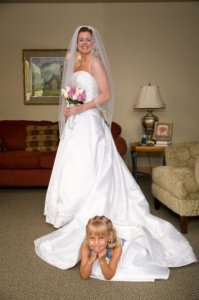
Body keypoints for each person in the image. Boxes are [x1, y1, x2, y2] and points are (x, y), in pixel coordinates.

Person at [34, 26, 197, 281]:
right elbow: (72, 96)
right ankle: (71, 211)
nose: (85, 43)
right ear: (76, 43)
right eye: (82, 40)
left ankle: (93, 210)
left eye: (89, 39)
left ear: (93, 42)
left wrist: (80, 109)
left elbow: (106, 94)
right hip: (76, 124)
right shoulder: (75, 62)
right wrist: (69, 110)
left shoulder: (95, 62)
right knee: (75, 167)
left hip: (90, 124)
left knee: (94, 166)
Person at [80, 215, 122, 280]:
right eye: (92, 238)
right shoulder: (85, 246)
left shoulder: (116, 248)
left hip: (113, 244)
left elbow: (108, 276)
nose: (96, 243)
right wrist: (90, 260)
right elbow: (84, 276)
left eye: (101, 238)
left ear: (110, 236)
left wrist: (102, 260)